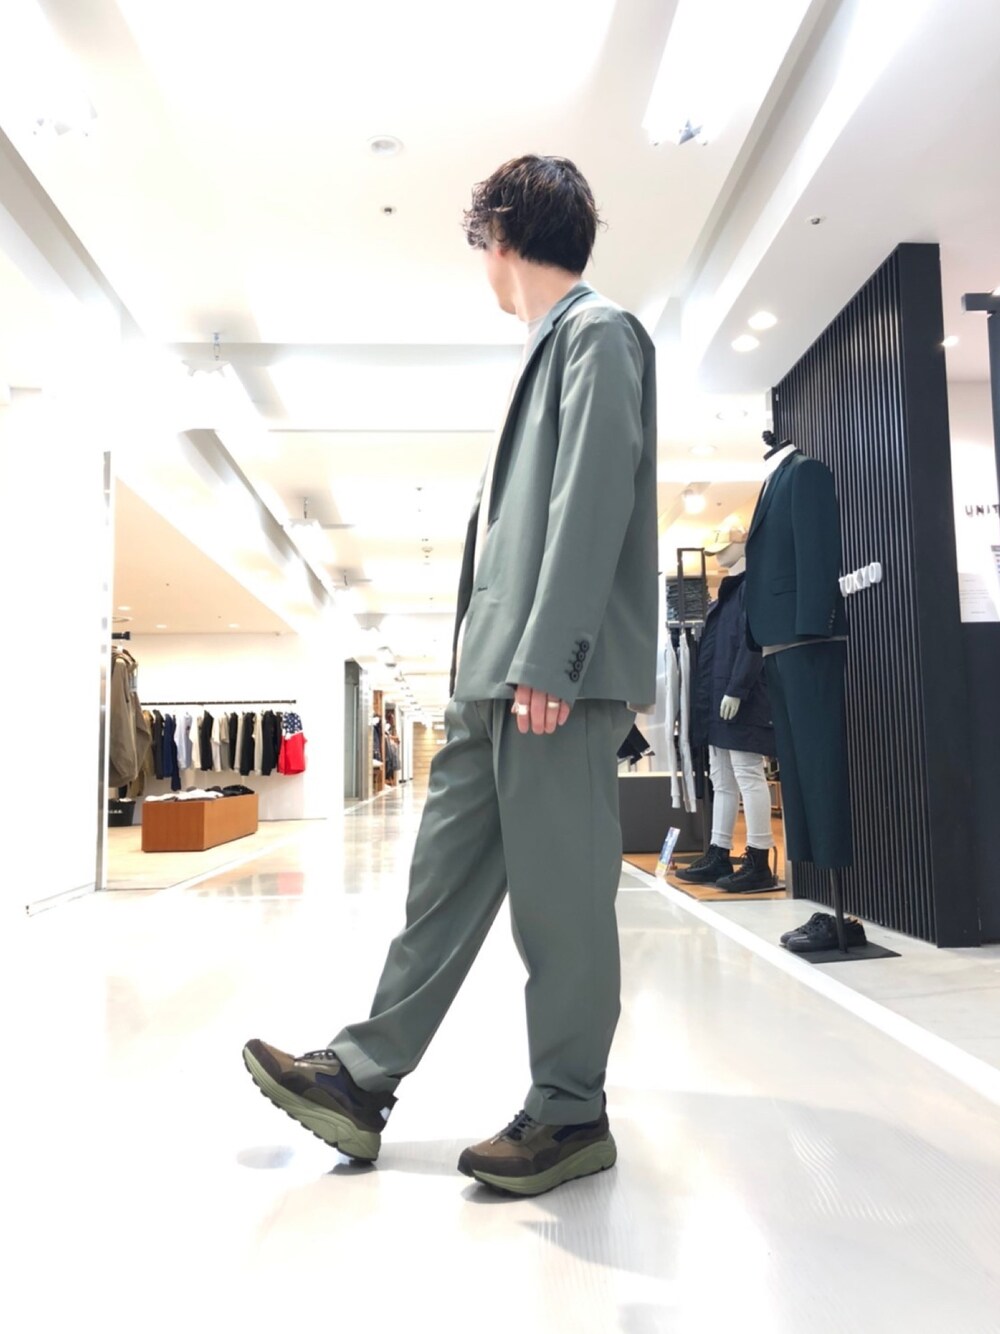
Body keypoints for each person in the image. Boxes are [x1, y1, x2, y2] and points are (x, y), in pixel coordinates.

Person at [243, 155, 659, 1197]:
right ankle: (360, 1076)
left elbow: (592, 496)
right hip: (491, 681)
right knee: (437, 890)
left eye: (481, 245)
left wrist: (553, 653)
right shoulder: (546, 350)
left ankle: (570, 1112)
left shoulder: (599, 333)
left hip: (548, 679)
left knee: (560, 905)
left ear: (500, 238)